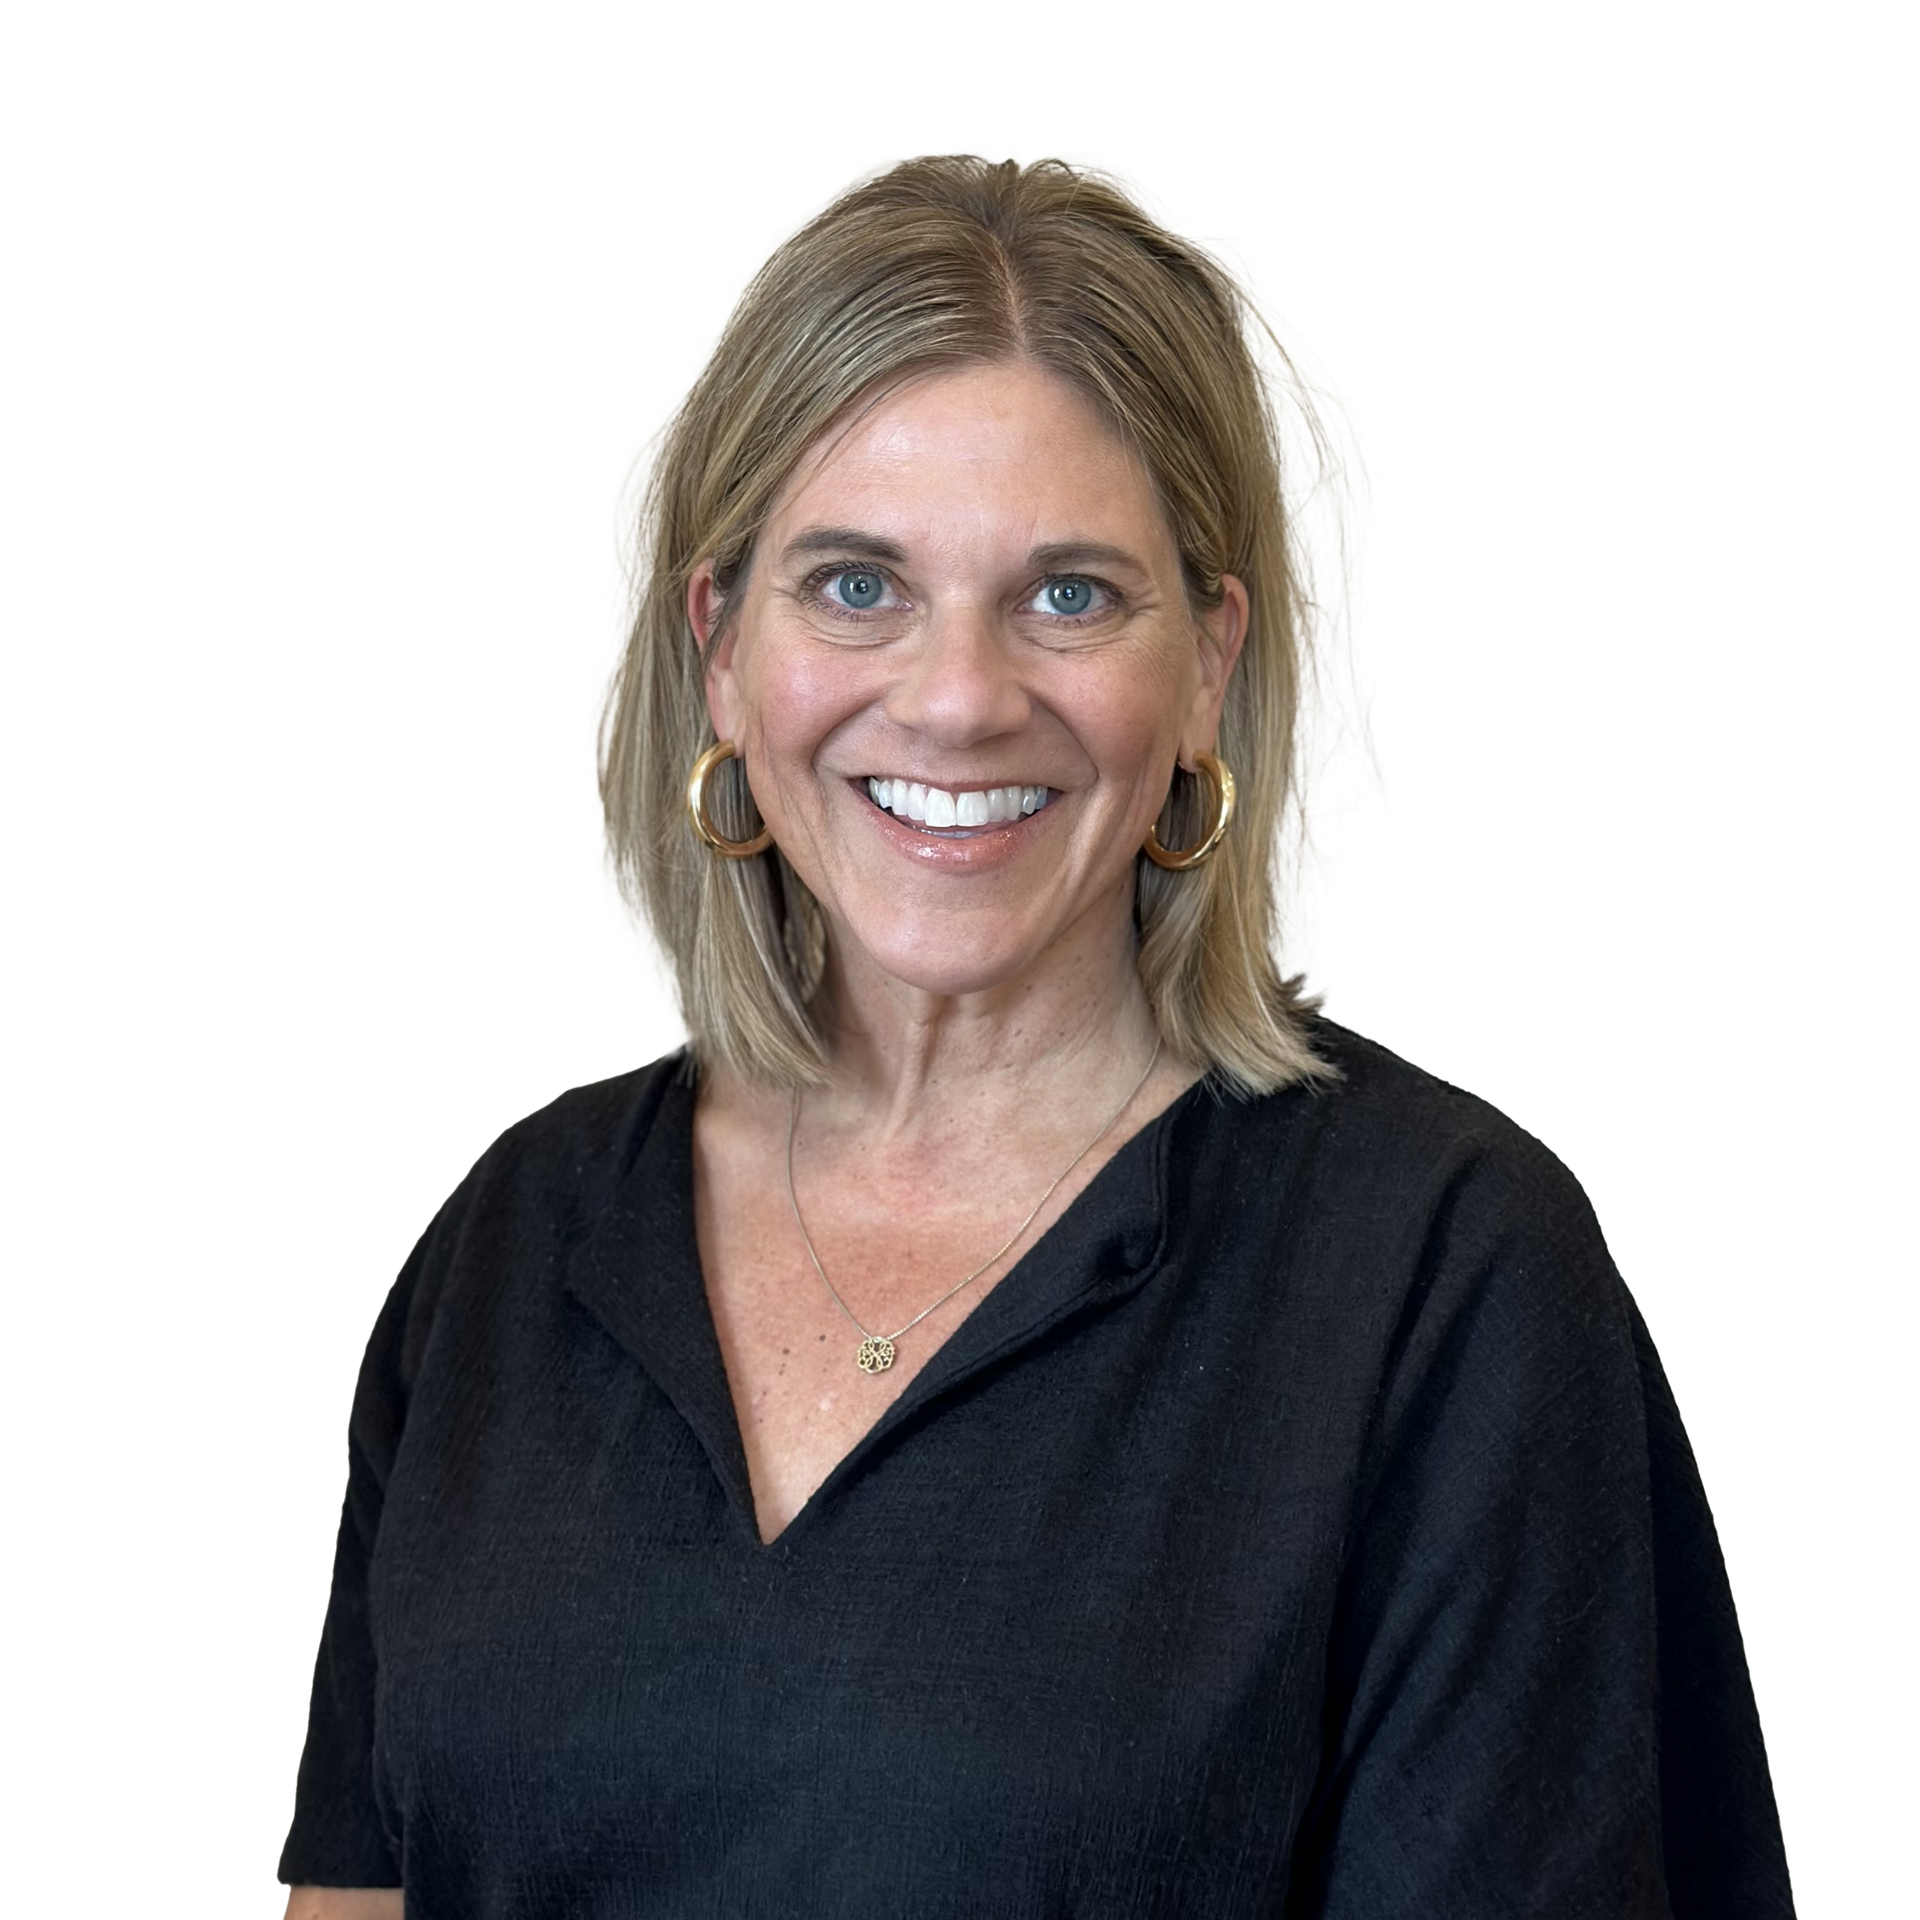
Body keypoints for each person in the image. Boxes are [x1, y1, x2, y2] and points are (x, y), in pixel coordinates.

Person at [278, 142, 1795, 1917]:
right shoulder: (510, 1248)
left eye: (1069, 595)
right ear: (718, 646)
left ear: (1207, 664)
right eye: (857, 584)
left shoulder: (1446, 1281)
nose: (957, 696)